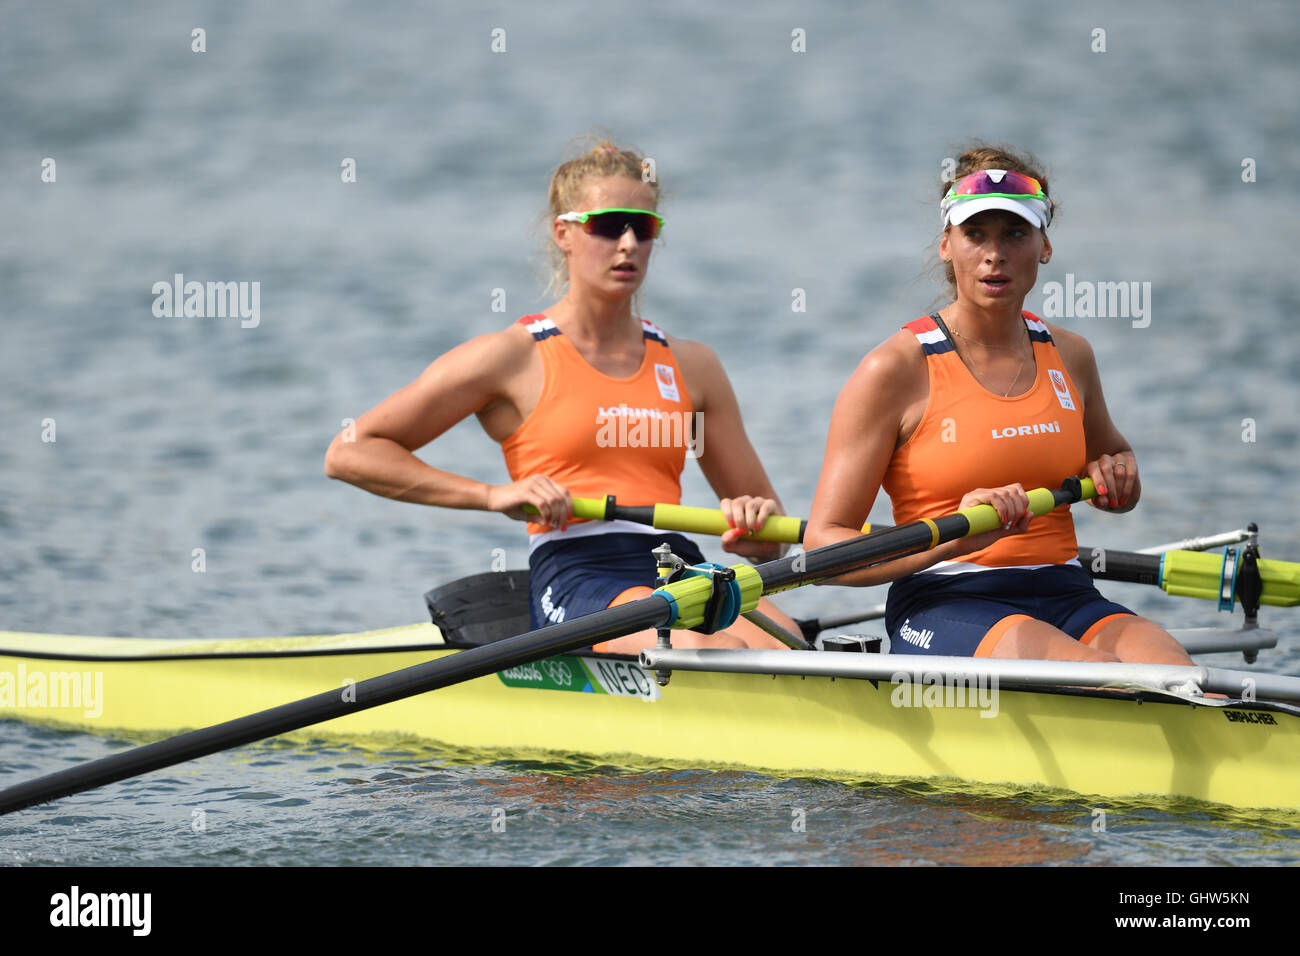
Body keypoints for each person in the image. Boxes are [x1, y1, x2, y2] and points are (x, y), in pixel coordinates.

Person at [325, 140, 795, 653]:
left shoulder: (694, 366)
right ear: (564, 233)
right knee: (708, 651)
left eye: (645, 226)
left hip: (677, 561)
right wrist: (491, 496)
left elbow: (769, 542)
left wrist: (751, 526)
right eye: (609, 225)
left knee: (788, 642)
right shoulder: (511, 358)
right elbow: (351, 451)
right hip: (577, 571)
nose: (629, 243)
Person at [804, 145, 1194, 665]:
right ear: (946, 245)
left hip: (1065, 593)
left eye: (1014, 233)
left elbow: (1116, 463)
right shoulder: (893, 371)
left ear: (1045, 245)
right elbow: (823, 549)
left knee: (1185, 679)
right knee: (1101, 676)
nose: (995, 254)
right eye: (975, 235)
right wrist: (953, 540)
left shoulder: (1071, 355)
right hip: (944, 600)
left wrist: (1120, 481)